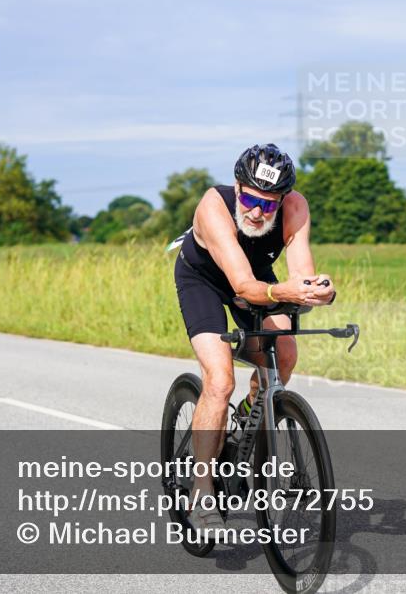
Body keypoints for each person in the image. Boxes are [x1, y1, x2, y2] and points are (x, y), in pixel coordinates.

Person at [172, 143, 335, 530]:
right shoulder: (213, 207)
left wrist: (319, 290)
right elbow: (243, 286)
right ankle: (201, 490)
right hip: (204, 281)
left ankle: (247, 419)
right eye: (249, 199)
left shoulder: (295, 208)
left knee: (285, 355)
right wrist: (281, 292)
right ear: (237, 188)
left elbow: (302, 274)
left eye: (269, 204)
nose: (257, 212)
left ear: (284, 199)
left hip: (256, 279)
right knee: (220, 380)